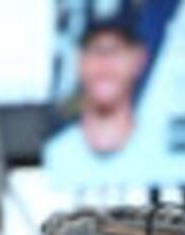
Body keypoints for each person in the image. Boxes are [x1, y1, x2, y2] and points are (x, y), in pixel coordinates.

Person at [37, 0, 155, 187]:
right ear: (79, 61)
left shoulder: (157, 151)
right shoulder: (59, 151)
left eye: (115, 51)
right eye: (95, 50)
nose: (105, 63)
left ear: (138, 59)